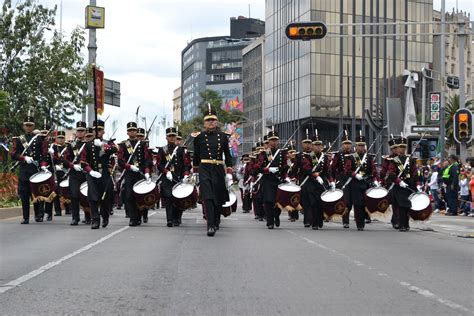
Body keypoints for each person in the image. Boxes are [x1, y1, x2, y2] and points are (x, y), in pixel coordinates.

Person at [192, 107, 233, 236]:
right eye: (208, 120)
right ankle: (210, 225)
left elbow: (228, 155)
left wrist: (230, 173)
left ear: (217, 121)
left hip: (219, 169)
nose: (211, 122)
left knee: (218, 197)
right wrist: (195, 172)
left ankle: (216, 220)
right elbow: (196, 156)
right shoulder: (199, 137)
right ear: (204, 123)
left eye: (213, 120)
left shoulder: (223, 136)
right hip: (205, 168)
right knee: (208, 197)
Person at [80, 120, 118, 229]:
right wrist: (90, 171)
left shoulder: (107, 143)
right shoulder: (88, 145)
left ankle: (105, 216)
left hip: (105, 173)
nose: (97, 132)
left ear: (103, 131)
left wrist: (102, 145)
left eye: (99, 130)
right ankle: (95, 219)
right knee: (92, 197)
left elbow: (116, 149)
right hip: (92, 173)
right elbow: (83, 161)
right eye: (95, 130)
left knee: (106, 197)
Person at [11, 114, 48, 224]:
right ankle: (25, 217)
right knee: (24, 195)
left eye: (30, 125)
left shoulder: (39, 139)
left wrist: (43, 164)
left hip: (35, 170)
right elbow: (13, 154)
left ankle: (38, 215)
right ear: (23, 126)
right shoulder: (19, 140)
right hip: (24, 171)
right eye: (26, 125)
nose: (28, 127)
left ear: (33, 126)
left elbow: (44, 154)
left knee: (36, 194)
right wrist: (23, 158)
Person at [254, 128, 289, 230]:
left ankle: (276, 216)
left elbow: (285, 167)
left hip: (278, 180)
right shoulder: (264, 154)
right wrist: (268, 169)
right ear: (268, 141)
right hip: (267, 180)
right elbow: (257, 168)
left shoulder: (282, 153)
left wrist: (286, 177)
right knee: (269, 201)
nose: (274, 142)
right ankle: (270, 221)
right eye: (272, 140)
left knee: (278, 201)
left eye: (275, 140)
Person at [343, 134, 379, 231]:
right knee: (358, 204)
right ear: (356, 146)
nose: (361, 147)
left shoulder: (369, 158)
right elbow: (347, 170)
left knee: (365, 203)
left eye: (363, 145)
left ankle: (363, 220)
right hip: (355, 184)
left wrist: (375, 180)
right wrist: (355, 175)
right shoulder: (351, 158)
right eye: (359, 145)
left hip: (366, 183)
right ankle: (360, 224)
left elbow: (373, 171)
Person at [157, 127, 191, 227]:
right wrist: (166, 172)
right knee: (168, 198)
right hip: (167, 177)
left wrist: (185, 175)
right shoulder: (162, 150)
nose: (172, 138)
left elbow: (185, 164)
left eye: (173, 136)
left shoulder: (181, 150)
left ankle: (177, 217)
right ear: (166, 137)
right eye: (170, 136)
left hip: (178, 177)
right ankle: (169, 219)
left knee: (178, 198)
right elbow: (159, 164)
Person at [385, 136, 419, 231]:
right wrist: (399, 181)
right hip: (399, 186)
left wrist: (417, 184)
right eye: (400, 147)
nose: (402, 149)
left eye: (404, 147)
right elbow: (391, 173)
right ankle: (401, 225)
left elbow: (414, 172)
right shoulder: (394, 161)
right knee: (401, 205)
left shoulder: (410, 160)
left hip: (408, 185)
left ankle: (406, 224)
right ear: (397, 148)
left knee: (408, 205)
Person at [328, 131, 353, 228]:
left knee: (350, 202)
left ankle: (347, 213)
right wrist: (333, 180)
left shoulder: (354, 155)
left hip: (351, 179)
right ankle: (345, 220)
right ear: (342, 145)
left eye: (349, 144)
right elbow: (332, 169)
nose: (347, 146)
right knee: (345, 200)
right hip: (342, 179)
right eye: (345, 144)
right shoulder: (338, 155)